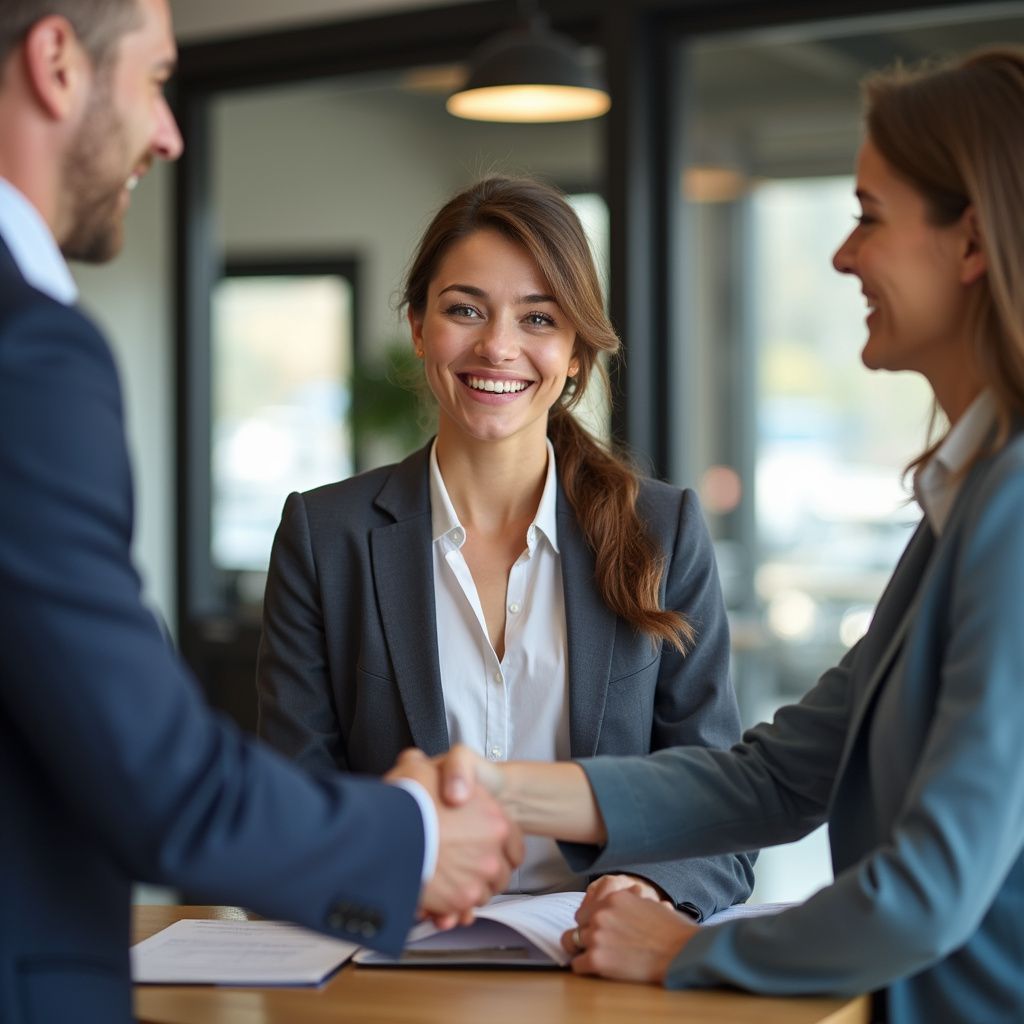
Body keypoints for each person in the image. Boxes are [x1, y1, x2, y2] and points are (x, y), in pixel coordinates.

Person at [420, 48, 1024, 1024]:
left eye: (868, 215)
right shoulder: (962, 504)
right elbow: (780, 775)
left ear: (970, 243)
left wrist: (687, 948)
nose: (841, 254)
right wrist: (488, 784)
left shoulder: (1009, 507)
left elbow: (925, 896)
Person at [0, 3, 520, 1021]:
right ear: (56, 63)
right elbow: (160, 780)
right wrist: (410, 834)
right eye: (156, 81)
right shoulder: (29, 351)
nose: (169, 133)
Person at [257, 176, 754, 915]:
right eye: (465, 310)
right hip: (395, 966)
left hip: (598, 968)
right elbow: (289, 812)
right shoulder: (324, 537)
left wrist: (647, 893)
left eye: (538, 318)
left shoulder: (663, 531)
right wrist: (393, 880)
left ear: (577, 353)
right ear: (419, 326)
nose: (498, 347)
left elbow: (721, 813)